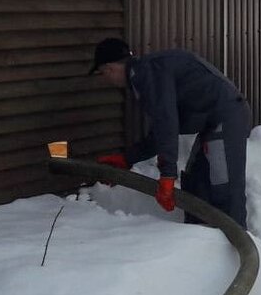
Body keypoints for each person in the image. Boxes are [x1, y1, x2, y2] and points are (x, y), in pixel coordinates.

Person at [90, 37, 251, 229]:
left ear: (109, 68)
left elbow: (167, 122)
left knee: (223, 187)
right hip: (212, 122)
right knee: (197, 183)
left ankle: (238, 246)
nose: (106, 79)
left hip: (227, 117)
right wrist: (128, 158)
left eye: (102, 73)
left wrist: (167, 175)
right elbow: (162, 128)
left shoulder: (149, 73)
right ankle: (202, 242)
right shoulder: (145, 74)